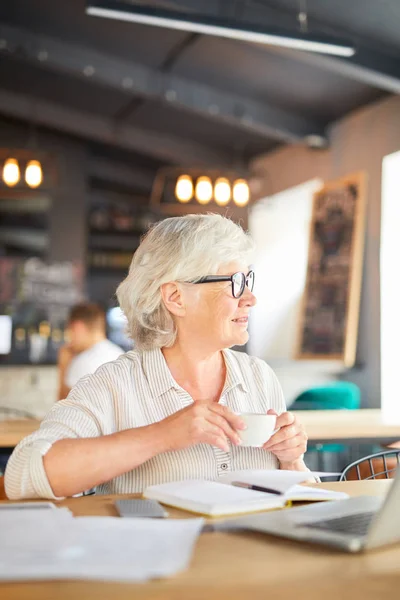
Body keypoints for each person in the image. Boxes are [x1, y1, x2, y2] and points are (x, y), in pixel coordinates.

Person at [5, 214, 308, 500]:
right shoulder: (113, 385)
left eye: (247, 280)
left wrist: (292, 461)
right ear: (175, 297)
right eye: (235, 283)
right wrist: (161, 436)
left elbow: (302, 498)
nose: (251, 298)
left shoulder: (259, 377)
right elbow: (24, 475)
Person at [57, 303, 123, 400]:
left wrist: (63, 366)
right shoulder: (120, 354)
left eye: (69, 331)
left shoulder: (82, 361)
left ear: (78, 327)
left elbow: (62, 409)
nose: (69, 339)